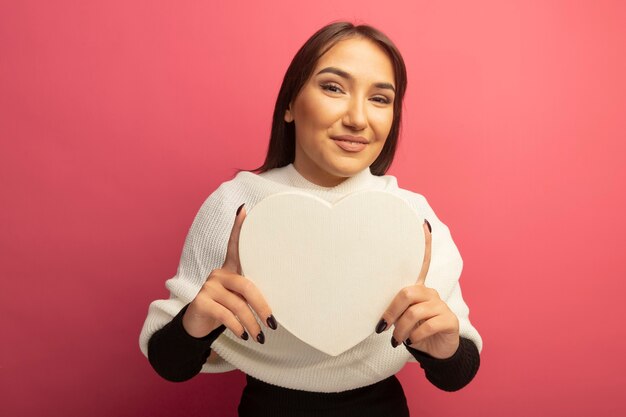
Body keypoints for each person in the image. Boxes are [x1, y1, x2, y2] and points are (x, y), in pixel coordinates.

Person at [139, 21, 482, 417]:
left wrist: (445, 349)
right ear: (289, 104)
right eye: (333, 87)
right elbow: (169, 363)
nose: (357, 118)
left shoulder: (411, 216)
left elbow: (458, 371)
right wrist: (194, 322)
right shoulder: (235, 205)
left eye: (380, 99)